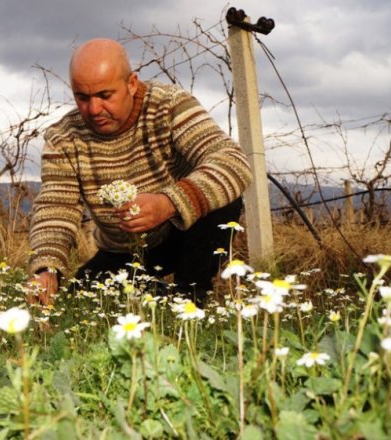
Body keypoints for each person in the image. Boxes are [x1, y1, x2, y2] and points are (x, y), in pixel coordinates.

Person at [28, 38, 252, 305]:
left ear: (131, 84)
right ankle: (156, 297)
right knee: (79, 301)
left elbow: (232, 160)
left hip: (181, 233)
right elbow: (56, 205)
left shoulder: (168, 106)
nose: (93, 109)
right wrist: (47, 268)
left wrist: (168, 203)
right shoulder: (63, 138)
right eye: (82, 97)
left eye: (104, 95)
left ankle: (191, 297)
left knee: (223, 197)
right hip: (121, 250)